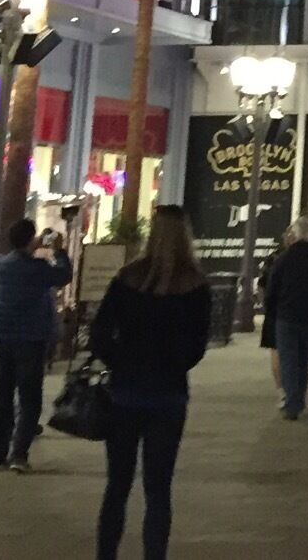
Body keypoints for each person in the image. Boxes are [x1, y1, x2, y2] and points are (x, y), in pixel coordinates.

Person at [90, 205, 211, 560]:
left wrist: (120, 361)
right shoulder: (194, 285)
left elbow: (99, 331)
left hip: (124, 392)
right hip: (168, 395)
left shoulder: (128, 278)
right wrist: (173, 366)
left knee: (117, 484)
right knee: (158, 489)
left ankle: (105, 554)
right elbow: (197, 345)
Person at [0, 218, 71, 472]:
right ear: (31, 240)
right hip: (31, 339)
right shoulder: (37, 268)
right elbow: (64, 275)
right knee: (29, 397)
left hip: (4, 336)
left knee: (3, 394)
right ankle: (19, 454)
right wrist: (58, 249)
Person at [259, 216, 308, 420]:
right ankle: (298, 397)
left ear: (294, 234)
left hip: (287, 316)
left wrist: (272, 310)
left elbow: (272, 290)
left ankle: (293, 402)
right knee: (303, 359)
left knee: (289, 359)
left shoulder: (283, 259)